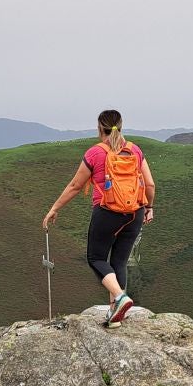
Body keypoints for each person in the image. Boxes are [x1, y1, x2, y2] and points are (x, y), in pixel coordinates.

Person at [42, 110, 156, 327]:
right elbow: (149, 184)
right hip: (135, 212)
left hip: (108, 212)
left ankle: (120, 298)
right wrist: (149, 207)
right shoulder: (134, 150)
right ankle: (115, 314)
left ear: (99, 128)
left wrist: (54, 208)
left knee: (96, 258)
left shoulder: (96, 153)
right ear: (120, 127)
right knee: (119, 261)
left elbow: (75, 186)